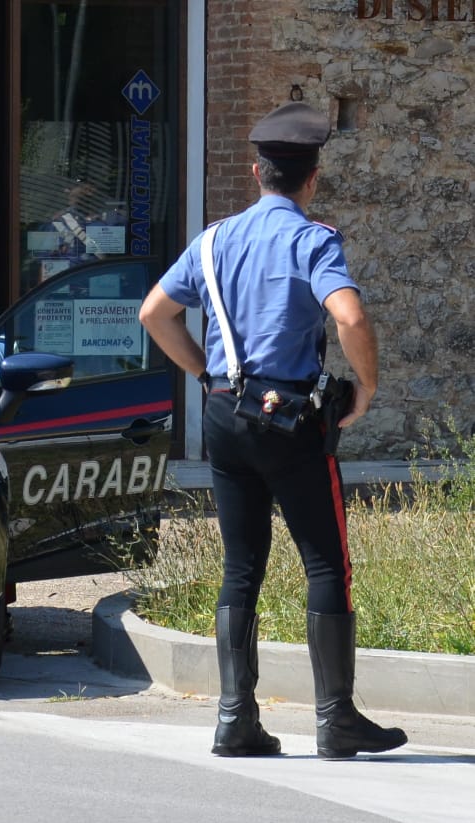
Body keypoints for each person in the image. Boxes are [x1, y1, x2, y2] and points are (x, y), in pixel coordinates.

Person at [139, 102, 405, 759]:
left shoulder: (211, 241)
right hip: (288, 422)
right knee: (325, 561)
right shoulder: (312, 239)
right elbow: (348, 317)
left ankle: (234, 719)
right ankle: (335, 717)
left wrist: (204, 373)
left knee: (240, 566)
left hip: (225, 415)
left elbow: (154, 312)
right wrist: (366, 387)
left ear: (255, 171)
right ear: (310, 179)